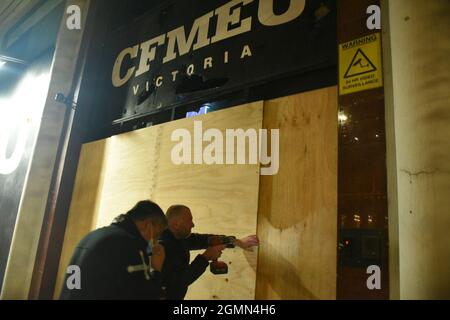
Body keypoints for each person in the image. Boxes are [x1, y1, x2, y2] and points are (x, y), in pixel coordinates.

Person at [60, 200, 167, 300]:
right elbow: (145, 296)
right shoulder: (131, 246)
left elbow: (72, 285)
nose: (154, 242)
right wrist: (156, 270)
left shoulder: (91, 237)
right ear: (147, 225)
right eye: (156, 235)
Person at [159, 204, 259, 300]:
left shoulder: (178, 237)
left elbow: (205, 240)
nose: (193, 224)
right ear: (176, 224)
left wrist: (236, 241)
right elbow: (180, 281)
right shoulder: (161, 248)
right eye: (189, 220)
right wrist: (205, 257)